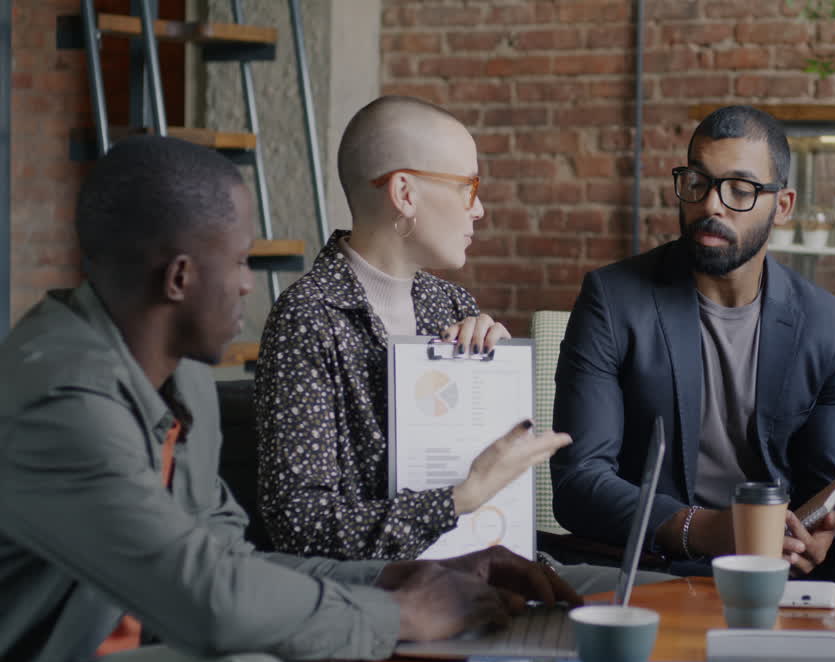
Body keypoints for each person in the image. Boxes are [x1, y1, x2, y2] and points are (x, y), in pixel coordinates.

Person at [0, 135, 578, 662]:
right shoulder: (58, 398)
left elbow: (232, 561)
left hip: (153, 650)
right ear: (179, 278)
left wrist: (408, 578)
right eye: (240, 261)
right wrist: (403, 615)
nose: (251, 284)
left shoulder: (185, 379)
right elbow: (207, 596)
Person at [254, 96, 672, 593]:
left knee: (662, 596)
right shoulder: (307, 318)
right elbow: (301, 529)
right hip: (388, 593)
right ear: (405, 193)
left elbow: (492, 484)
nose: (479, 208)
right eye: (468, 187)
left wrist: (494, 381)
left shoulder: (450, 304)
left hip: (490, 564)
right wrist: (456, 500)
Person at [552, 105, 835, 586]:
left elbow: (834, 486)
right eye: (698, 182)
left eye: (740, 190)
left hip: (777, 568)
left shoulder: (826, 323)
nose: (712, 206)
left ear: (782, 206)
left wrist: (824, 537)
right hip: (659, 564)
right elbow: (579, 482)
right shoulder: (613, 300)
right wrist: (706, 530)